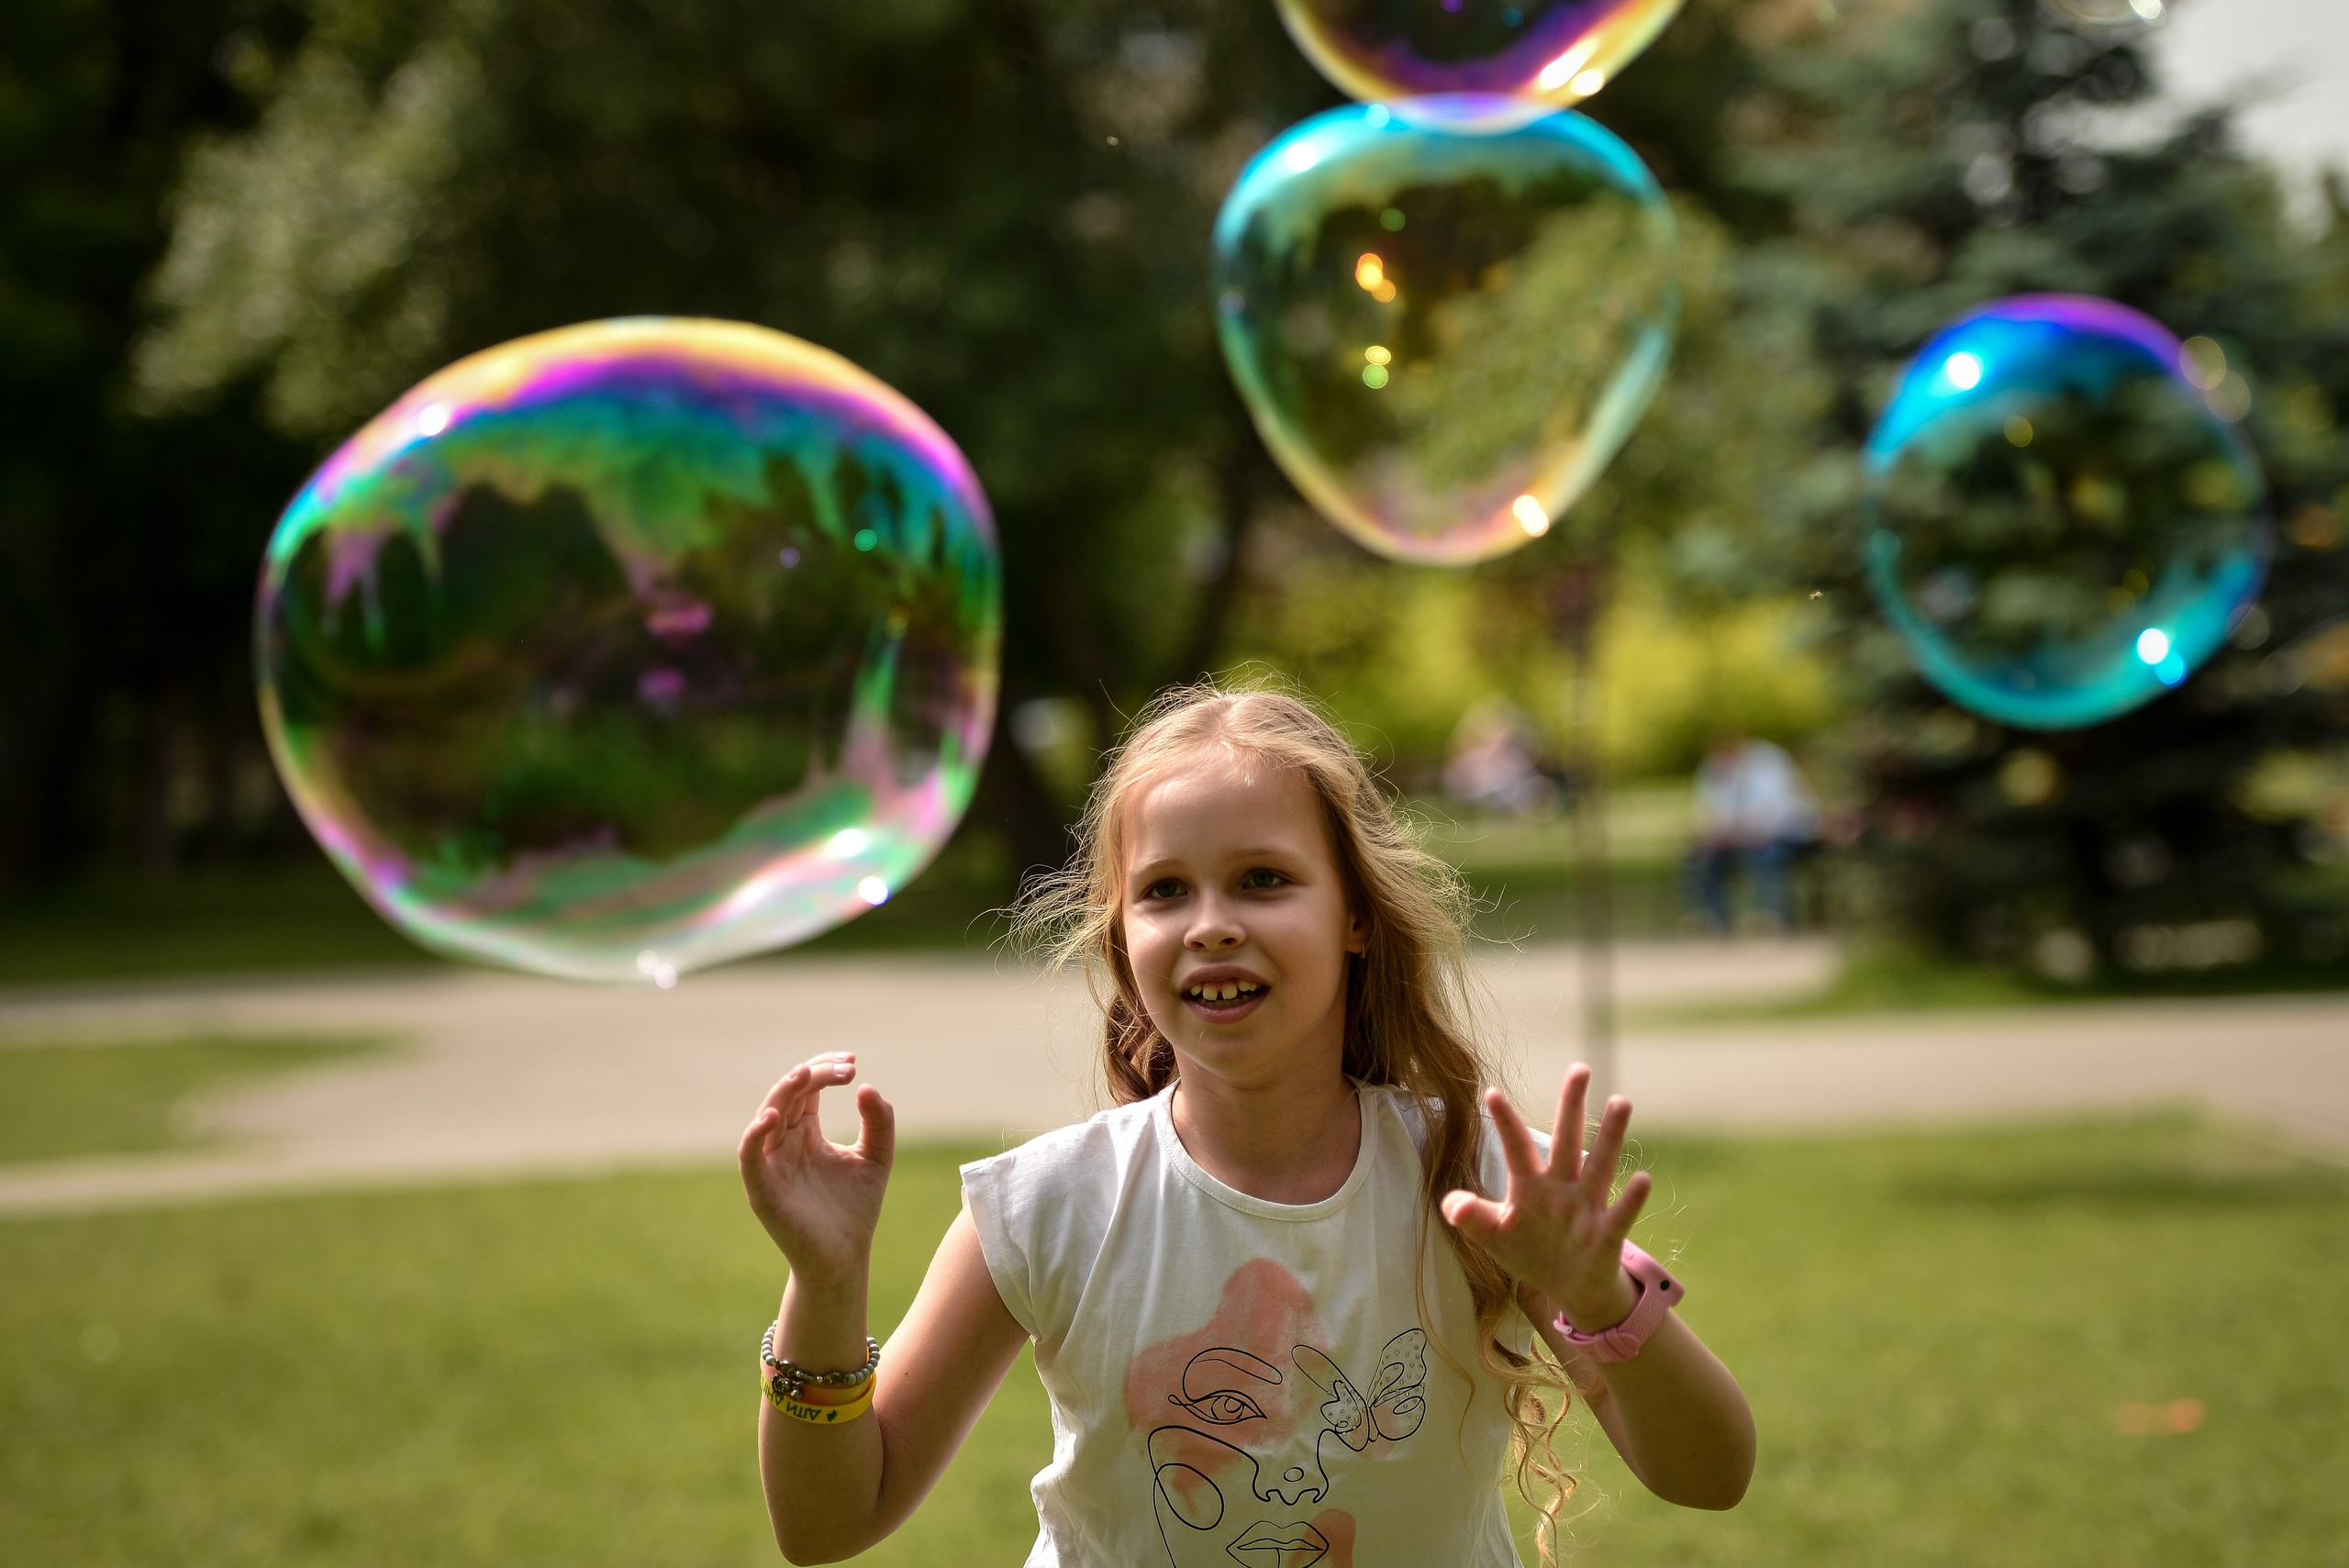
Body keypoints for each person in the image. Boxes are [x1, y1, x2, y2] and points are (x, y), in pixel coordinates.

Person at [738, 684, 1755, 1568]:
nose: (1212, 921)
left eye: (1263, 879)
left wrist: (1592, 1290)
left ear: (1357, 915)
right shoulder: (1049, 1206)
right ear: (1121, 935)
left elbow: (1711, 1473)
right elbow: (829, 1521)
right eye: (1165, 890)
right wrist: (824, 1285)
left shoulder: (1475, 1181)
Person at [1688, 731, 1822, 932]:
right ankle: (1711, 920)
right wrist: (1717, 834)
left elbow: (1783, 811)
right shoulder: (1716, 772)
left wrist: (1754, 833)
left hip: (1784, 834)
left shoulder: (1770, 764)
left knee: (1765, 855)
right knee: (1703, 858)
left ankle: (1771, 917)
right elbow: (1711, 814)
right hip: (1741, 840)